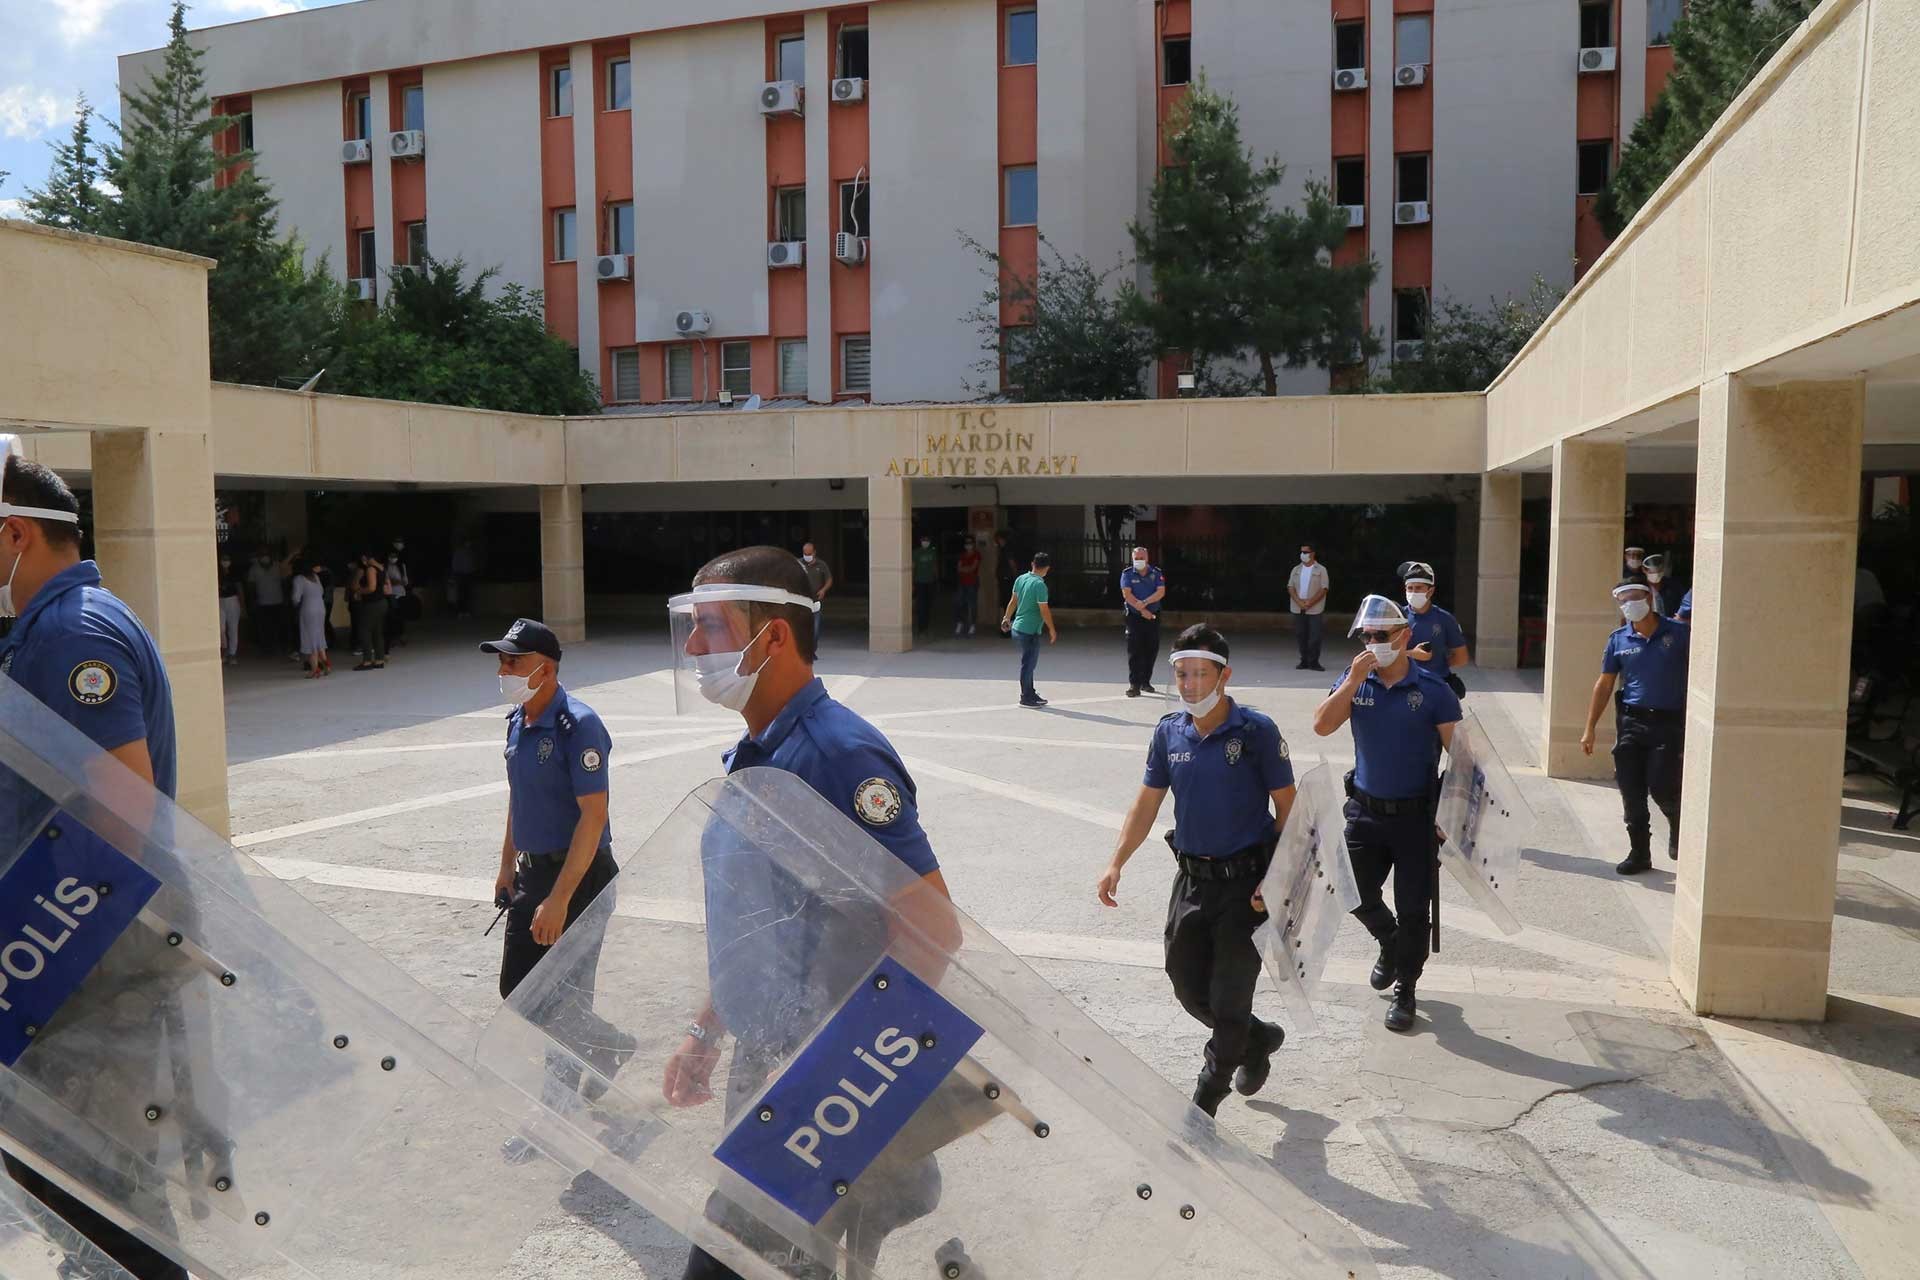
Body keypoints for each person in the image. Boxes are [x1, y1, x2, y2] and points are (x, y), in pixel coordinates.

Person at [660, 547, 957, 1280]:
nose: (694, 648)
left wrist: (843, 1093)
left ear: (776, 638)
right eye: (691, 629)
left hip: (814, 1083)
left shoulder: (837, 756)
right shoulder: (759, 749)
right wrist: (708, 1026)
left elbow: (931, 931)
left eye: (712, 628)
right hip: (770, 1065)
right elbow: (762, 919)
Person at [0, 449, 188, 1280]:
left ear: (13, 535)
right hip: (79, 946)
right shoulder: (57, 624)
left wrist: (33, 947)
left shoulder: (74, 632)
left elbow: (124, 806)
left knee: (104, 1183)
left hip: (89, 951)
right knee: (69, 1167)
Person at [1097, 625, 1295, 1116]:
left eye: (1199, 674)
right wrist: (1115, 862)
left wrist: (1277, 882)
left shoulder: (1257, 732)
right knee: (1187, 986)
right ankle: (1257, 1038)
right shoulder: (1169, 732)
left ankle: (1204, 1101)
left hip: (1247, 886)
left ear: (1224, 675)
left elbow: (1291, 812)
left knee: (1228, 1000)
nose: (1188, 684)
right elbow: (1146, 804)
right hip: (1191, 881)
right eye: (1181, 674)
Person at [1312, 594, 1461, 1033]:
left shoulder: (1434, 691)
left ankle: (1407, 988)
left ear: (1405, 636)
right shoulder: (1355, 680)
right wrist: (1354, 679)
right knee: (1347, 888)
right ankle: (1389, 941)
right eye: (1367, 636)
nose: (1374, 642)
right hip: (1364, 811)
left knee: (1415, 908)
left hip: (1416, 818)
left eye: (1383, 635)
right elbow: (1321, 724)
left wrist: (1448, 815)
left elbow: (1464, 761)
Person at [1580, 579, 1690, 874]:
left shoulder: (1679, 634)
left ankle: (1677, 819)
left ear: (1649, 598)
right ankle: (1639, 852)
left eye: (1635, 596)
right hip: (1631, 721)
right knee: (1631, 790)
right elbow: (1604, 684)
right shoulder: (1619, 639)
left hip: (1668, 722)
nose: (1630, 603)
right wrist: (1590, 727)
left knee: (1662, 785)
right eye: (1623, 599)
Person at [1400, 560, 1470, 697]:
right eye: (1410, 588)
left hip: (1436, 686)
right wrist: (1412, 654)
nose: (1413, 592)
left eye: (1418, 588)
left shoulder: (1445, 619)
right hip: (1403, 686)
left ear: (1430, 591)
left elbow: (1461, 658)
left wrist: (1438, 664)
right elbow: (1385, 655)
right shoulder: (1397, 617)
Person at [1001, 551, 1056, 708]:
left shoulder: (1021, 578)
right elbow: (1044, 610)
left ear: (1033, 564)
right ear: (1047, 568)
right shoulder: (1040, 585)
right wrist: (1052, 629)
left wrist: (1006, 618)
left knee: (1028, 662)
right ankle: (1026, 697)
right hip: (1029, 631)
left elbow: (1013, 601)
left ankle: (1030, 692)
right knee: (1028, 664)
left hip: (1017, 627)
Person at [1119, 545, 1166, 697]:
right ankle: (1134, 684)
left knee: (1151, 648)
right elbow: (1127, 594)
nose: (1139, 561)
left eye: (1142, 558)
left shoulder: (1156, 573)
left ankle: (1146, 682)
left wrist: (1145, 603)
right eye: (1136, 558)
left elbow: (1161, 592)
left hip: (1153, 615)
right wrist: (1141, 610)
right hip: (1134, 616)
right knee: (1134, 649)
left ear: (1147, 559)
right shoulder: (1127, 574)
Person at [1287, 543, 1329, 671]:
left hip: (1315, 608)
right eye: (1301, 552)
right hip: (1297, 607)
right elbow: (1290, 587)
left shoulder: (1321, 570)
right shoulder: (1296, 569)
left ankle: (1314, 661)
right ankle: (1304, 660)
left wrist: (1310, 602)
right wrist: (1299, 601)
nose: (1303, 555)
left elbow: (1324, 588)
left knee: (1315, 636)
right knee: (1301, 635)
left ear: (1312, 553)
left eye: (1305, 552)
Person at [290, 559, 330, 678]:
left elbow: (296, 598)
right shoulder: (315, 577)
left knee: (310, 638)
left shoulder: (299, 579)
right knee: (319, 636)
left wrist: (294, 604)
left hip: (308, 610)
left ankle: (314, 669)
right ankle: (327, 665)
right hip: (321, 609)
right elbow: (322, 591)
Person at [246, 546, 288, 658]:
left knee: (279, 627)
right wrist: (252, 602)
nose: (265, 556)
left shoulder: (278, 566)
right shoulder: (254, 569)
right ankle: (266, 649)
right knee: (264, 628)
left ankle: (279, 648)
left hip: (278, 602)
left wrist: (286, 600)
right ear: (259, 556)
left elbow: (284, 583)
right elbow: (251, 587)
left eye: (266, 554)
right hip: (262, 603)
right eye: (262, 554)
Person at [352, 550, 388, 671]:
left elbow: (371, 587)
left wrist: (359, 591)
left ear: (364, 557)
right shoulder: (381, 568)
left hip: (372, 604)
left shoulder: (370, 569)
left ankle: (367, 661)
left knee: (364, 630)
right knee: (377, 631)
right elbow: (384, 587)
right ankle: (379, 659)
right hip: (382, 602)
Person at [799, 540, 832, 649]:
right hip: (802, 601)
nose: (807, 556)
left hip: (816, 601)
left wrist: (823, 590)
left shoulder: (821, 565)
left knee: (815, 628)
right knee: (802, 627)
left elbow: (829, 579)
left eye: (809, 554)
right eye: (805, 554)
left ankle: (812, 650)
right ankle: (805, 650)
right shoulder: (798, 564)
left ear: (814, 553)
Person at [216, 550, 243, 666]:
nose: (225, 562)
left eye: (227, 559)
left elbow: (239, 588)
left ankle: (232, 654)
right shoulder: (217, 571)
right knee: (221, 629)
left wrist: (242, 605)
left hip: (232, 600)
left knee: (233, 628)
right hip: (220, 600)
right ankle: (225, 650)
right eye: (223, 559)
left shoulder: (235, 573)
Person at [384, 539, 412, 648]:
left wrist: (400, 582)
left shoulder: (401, 566)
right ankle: (393, 637)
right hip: (391, 594)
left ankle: (401, 636)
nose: (393, 558)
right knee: (392, 616)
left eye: (395, 556)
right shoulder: (385, 567)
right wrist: (396, 582)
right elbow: (388, 580)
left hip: (401, 593)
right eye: (391, 556)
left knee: (401, 616)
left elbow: (405, 581)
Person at [953, 535, 981, 636]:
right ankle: (960, 623)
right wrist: (966, 569)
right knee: (960, 603)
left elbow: (972, 568)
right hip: (962, 582)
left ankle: (972, 625)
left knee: (972, 604)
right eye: (967, 544)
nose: (968, 545)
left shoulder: (976, 555)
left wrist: (965, 569)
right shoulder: (962, 555)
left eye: (970, 543)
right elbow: (959, 568)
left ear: (973, 545)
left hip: (972, 582)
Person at [911, 533, 938, 635]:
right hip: (919, 582)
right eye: (923, 541)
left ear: (929, 542)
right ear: (921, 541)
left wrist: (936, 579)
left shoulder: (932, 552)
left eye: (927, 541)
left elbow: (935, 566)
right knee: (921, 604)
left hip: (930, 581)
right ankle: (921, 626)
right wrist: (912, 582)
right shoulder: (916, 552)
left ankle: (926, 625)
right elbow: (913, 568)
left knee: (928, 604)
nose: (925, 542)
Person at [1641, 553, 1683, 618]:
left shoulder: (1674, 587)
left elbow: (1684, 604)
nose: (1656, 574)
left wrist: (1680, 616)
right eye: (1652, 572)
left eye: (1659, 571)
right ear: (1644, 570)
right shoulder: (1640, 589)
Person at [450, 535, 478, 618]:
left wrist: (473, 570)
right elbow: (455, 563)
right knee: (461, 594)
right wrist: (455, 573)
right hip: (461, 575)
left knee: (467, 594)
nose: (469, 544)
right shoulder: (460, 551)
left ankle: (466, 611)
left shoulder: (470, 552)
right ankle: (461, 611)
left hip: (468, 575)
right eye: (468, 542)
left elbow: (471, 564)